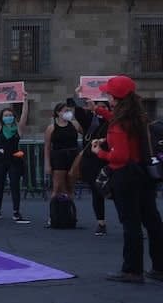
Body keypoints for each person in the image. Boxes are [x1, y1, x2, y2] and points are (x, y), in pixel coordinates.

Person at [87, 76, 163, 283]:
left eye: (109, 94)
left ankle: (132, 270)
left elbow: (119, 156)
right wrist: (98, 110)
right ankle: (159, 267)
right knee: (152, 221)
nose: (107, 96)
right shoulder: (138, 116)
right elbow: (118, 125)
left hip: (125, 176)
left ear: (115, 97)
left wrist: (99, 152)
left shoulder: (119, 124)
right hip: (143, 174)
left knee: (131, 224)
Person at [0, 99, 30, 223]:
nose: (8, 117)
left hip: (14, 160)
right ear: (2, 118)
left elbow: (24, 115)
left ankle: (16, 211)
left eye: (10, 115)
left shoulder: (19, 128)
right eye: (6, 115)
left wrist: (25, 101)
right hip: (0, 160)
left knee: (15, 185)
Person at [74, 96, 111, 236]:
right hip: (92, 161)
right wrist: (79, 96)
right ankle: (101, 223)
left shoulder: (112, 122)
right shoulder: (90, 121)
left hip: (109, 160)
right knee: (96, 192)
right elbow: (78, 113)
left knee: (118, 191)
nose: (101, 109)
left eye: (104, 107)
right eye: (98, 107)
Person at [44, 101, 83, 200]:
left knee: (70, 187)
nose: (68, 113)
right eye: (66, 111)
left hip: (73, 155)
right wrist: (47, 164)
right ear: (58, 112)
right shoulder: (51, 128)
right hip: (58, 157)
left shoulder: (74, 124)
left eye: (69, 111)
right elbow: (47, 147)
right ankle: (54, 212)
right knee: (58, 187)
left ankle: (70, 211)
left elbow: (86, 132)